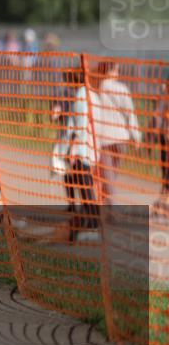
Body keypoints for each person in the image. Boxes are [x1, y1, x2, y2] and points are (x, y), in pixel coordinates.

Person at [50, 69, 99, 241]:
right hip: (85, 148)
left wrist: (73, 148)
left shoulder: (81, 96)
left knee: (85, 187)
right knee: (81, 185)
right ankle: (87, 218)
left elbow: (80, 126)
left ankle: (93, 223)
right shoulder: (88, 94)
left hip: (81, 151)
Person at [93, 60, 141, 203]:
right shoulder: (122, 89)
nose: (118, 73)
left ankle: (109, 207)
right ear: (112, 71)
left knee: (106, 178)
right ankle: (106, 205)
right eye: (116, 70)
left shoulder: (96, 88)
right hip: (121, 139)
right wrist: (136, 136)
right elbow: (130, 114)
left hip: (104, 139)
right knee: (111, 176)